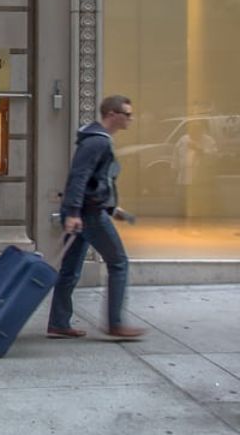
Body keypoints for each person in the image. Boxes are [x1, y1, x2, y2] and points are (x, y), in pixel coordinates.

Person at [48, 95, 146, 339]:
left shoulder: (96, 140)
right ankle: (115, 324)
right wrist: (73, 213)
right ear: (112, 114)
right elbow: (79, 177)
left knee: (70, 269)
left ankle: (58, 323)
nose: (131, 119)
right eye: (127, 114)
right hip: (89, 215)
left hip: (85, 212)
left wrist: (112, 209)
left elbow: (96, 182)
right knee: (119, 263)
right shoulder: (97, 142)